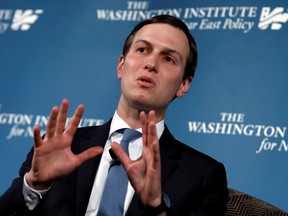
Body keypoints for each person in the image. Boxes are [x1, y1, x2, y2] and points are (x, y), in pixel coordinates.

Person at [0, 15, 228, 216]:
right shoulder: (62, 147)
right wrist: (35, 185)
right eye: (142, 50)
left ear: (183, 85)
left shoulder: (203, 175)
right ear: (121, 66)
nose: (150, 64)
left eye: (168, 58)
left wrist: (156, 208)